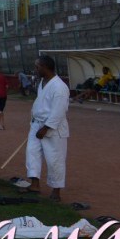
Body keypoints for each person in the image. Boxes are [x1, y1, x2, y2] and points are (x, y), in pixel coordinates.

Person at [24, 55, 70, 201]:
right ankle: (34, 184)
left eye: (37, 67)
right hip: (36, 124)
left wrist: (45, 128)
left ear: (45, 67)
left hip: (52, 128)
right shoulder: (43, 82)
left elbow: (59, 111)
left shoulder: (59, 87)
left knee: (54, 159)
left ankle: (56, 192)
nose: (35, 70)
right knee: (32, 153)